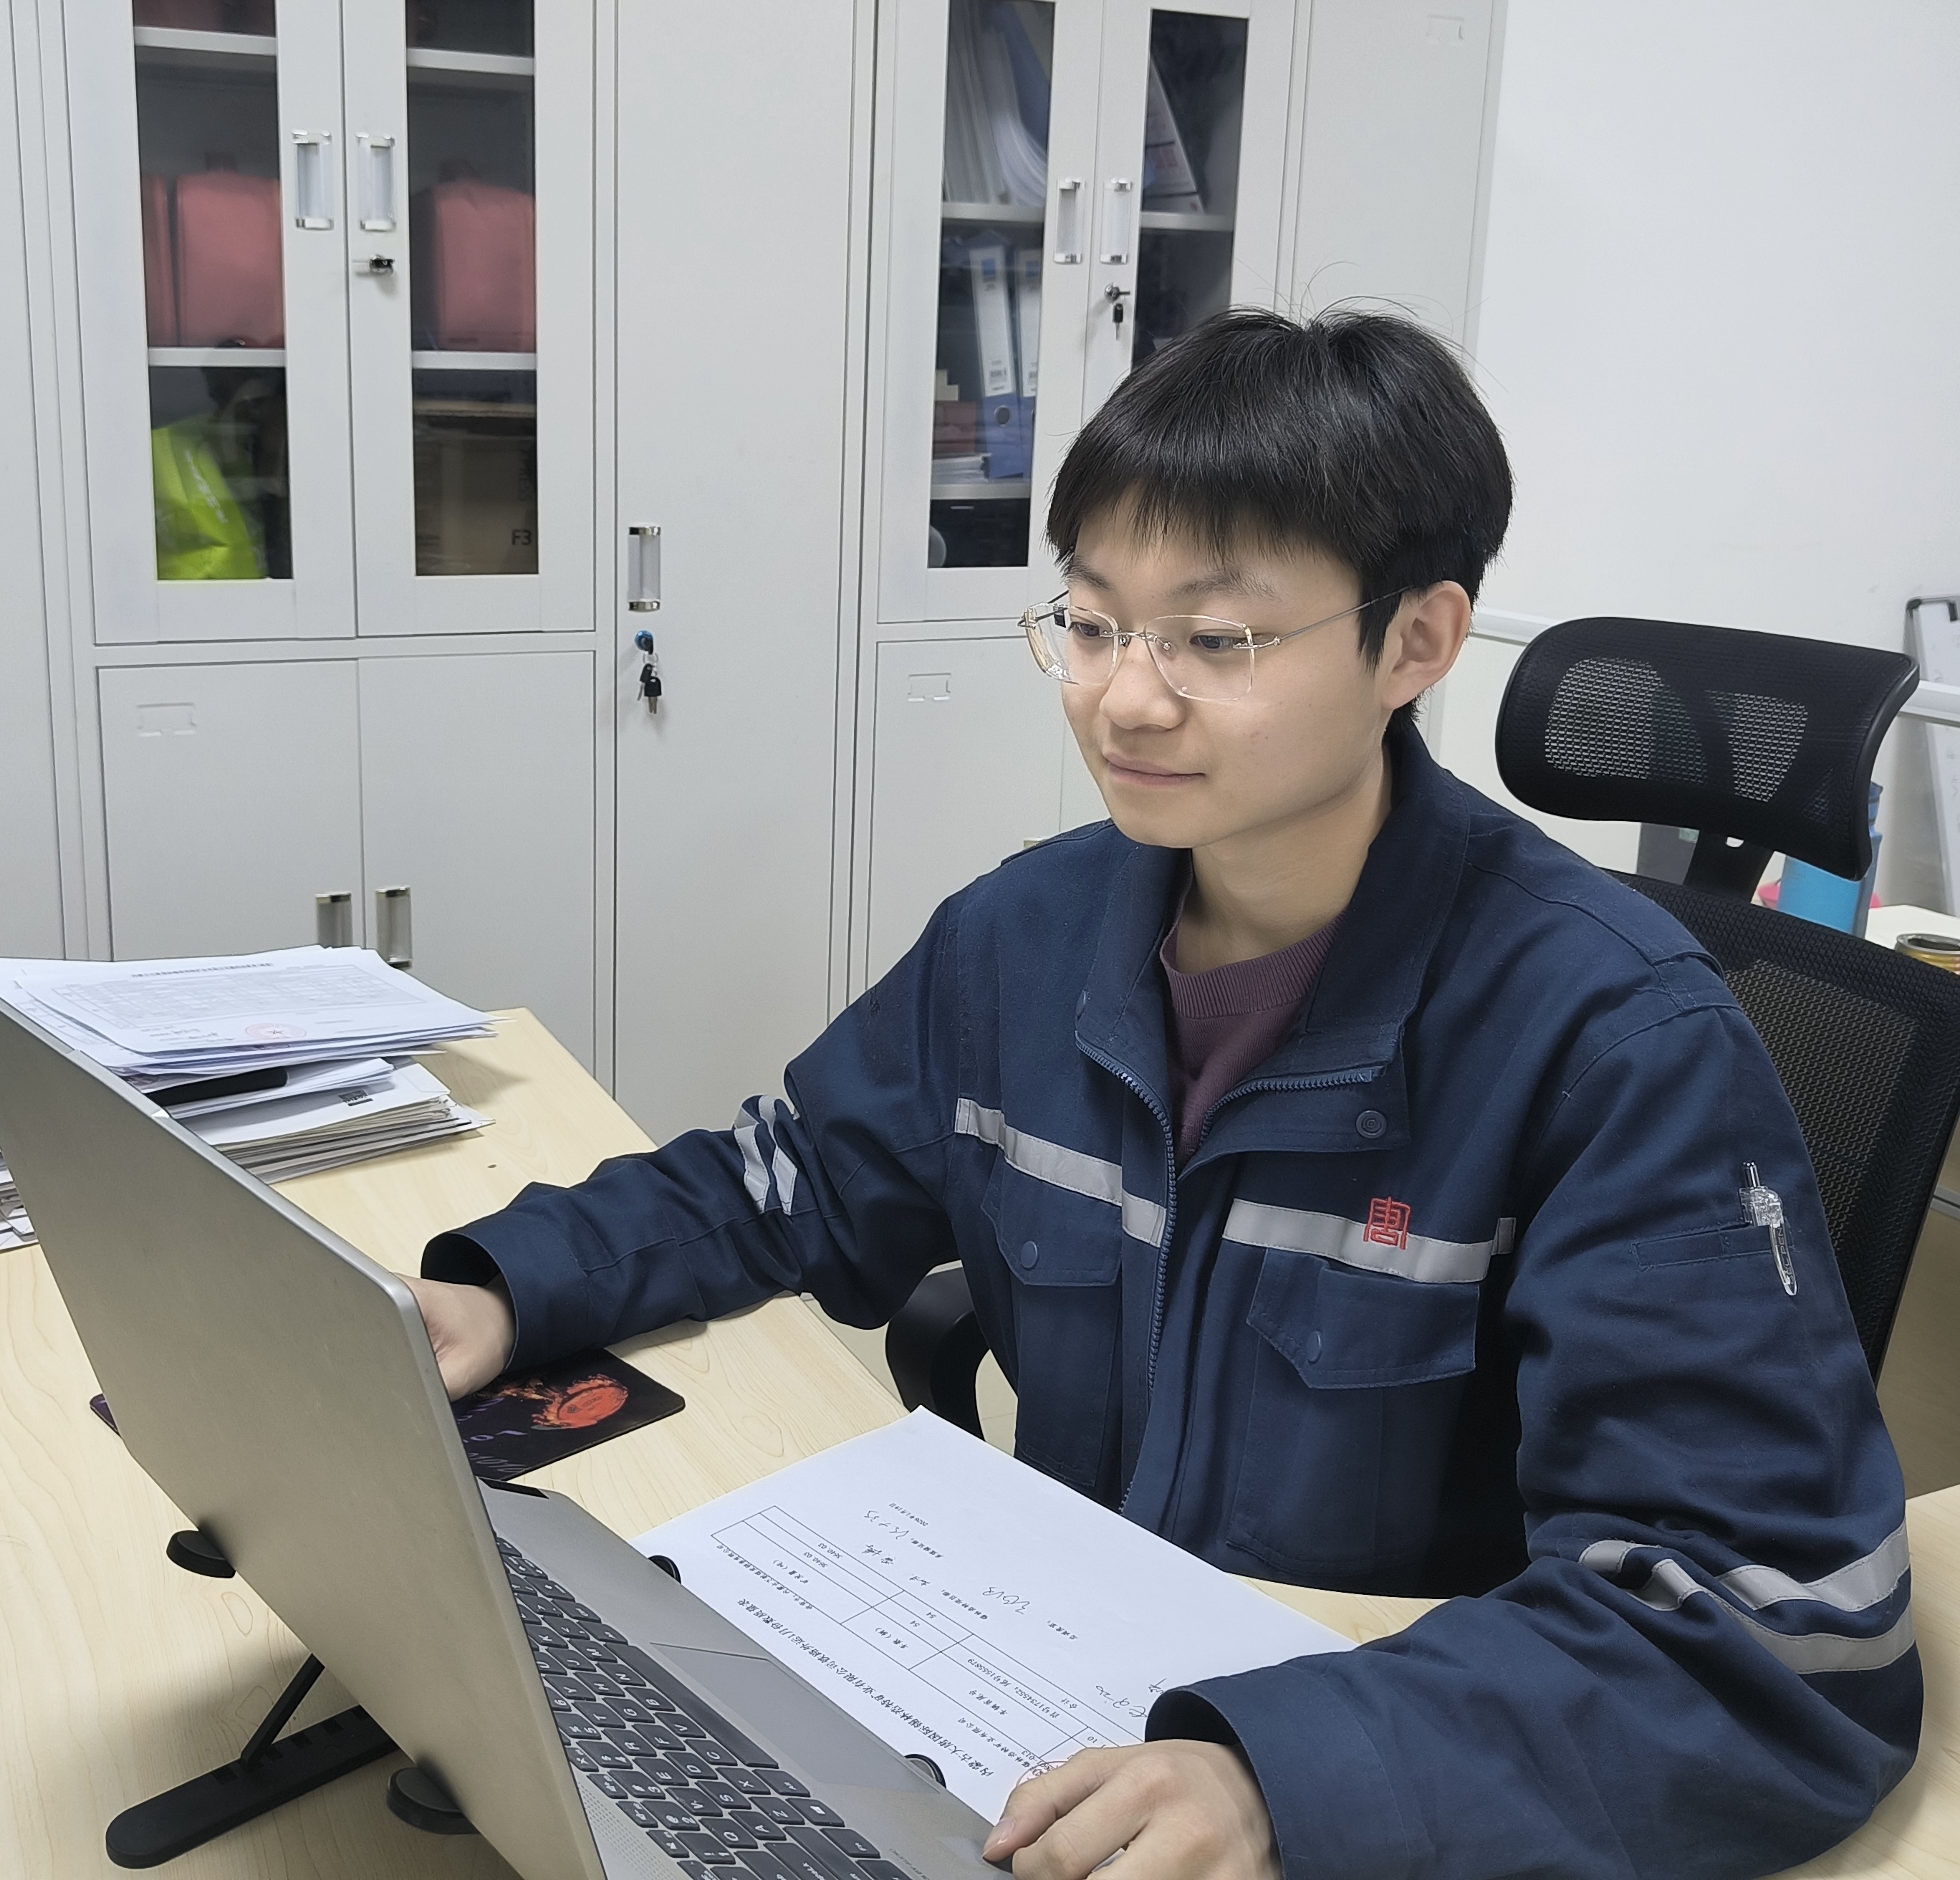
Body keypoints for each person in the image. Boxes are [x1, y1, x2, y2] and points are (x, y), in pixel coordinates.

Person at [404, 308, 1919, 1880]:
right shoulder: (1022, 937)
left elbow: (1777, 1638)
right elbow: (787, 1181)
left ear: (1415, 643)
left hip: (1383, 1759)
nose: (1124, 700)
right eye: (1091, 622)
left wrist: (1281, 1781)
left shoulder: (1614, 1041)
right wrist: (506, 1289)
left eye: (1216, 641)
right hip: (1045, 1708)